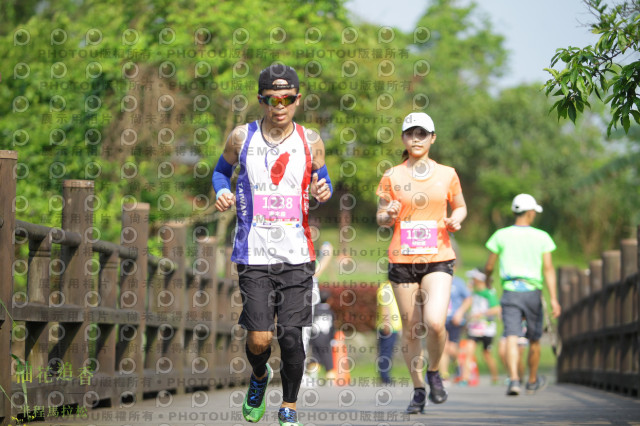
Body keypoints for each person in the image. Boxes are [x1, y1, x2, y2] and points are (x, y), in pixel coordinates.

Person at [213, 63, 333, 426]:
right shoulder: (241, 137)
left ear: (297, 99)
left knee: (292, 337)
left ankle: (289, 406)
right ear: (261, 100)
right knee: (260, 339)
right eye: (271, 99)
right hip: (253, 254)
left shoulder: (311, 140)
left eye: (287, 99)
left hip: (297, 255)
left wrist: (323, 189)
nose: (279, 106)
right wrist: (221, 190)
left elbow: (323, 180)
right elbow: (220, 171)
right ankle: (259, 375)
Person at [376, 112, 467, 414]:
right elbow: (381, 216)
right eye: (410, 134)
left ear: (432, 138)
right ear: (403, 138)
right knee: (412, 328)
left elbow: (461, 206)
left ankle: (434, 371)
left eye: (422, 134)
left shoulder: (447, 174)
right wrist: (388, 214)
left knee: (436, 323)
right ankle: (418, 389)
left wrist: (456, 219)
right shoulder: (392, 175)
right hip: (402, 259)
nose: (416, 139)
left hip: (438, 256)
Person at [483, 193, 561, 396]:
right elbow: (548, 269)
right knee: (534, 338)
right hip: (532, 292)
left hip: (510, 291)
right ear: (530, 212)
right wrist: (553, 299)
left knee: (511, 335)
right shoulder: (542, 237)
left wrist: (488, 279)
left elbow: (489, 266)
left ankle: (514, 380)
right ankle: (532, 381)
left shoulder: (501, 235)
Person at [301, 241, 333, 387]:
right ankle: (298, 374)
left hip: (307, 293)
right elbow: (316, 271)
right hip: (301, 293)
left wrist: (326, 253)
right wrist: (327, 254)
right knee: (301, 334)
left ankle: (299, 373)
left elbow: (315, 271)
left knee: (304, 335)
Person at [463, 268, 500, 385]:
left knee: (486, 354)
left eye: (473, 278)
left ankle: (495, 377)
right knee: (468, 352)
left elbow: (497, 308)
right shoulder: (473, 293)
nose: (471, 280)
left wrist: (482, 314)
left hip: (487, 329)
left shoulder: (489, 292)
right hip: (474, 328)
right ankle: (465, 378)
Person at [440, 273, 471, 382]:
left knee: (452, 348)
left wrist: (460, 313)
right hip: (441, 319)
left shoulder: (458, 282)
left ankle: (459, 364)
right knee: (443, 347)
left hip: (455, 320)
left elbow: (468, 299)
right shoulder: (438, 280)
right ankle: (444, 375)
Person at [376, 281, 402, 384]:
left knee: (388, 351)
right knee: (385, 352)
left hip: (394, 326)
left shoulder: (395, 287)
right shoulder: (386, 287)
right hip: (388, 327)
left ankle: (385, 375)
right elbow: (385, 306)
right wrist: (386, 323)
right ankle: (384, 376)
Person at [308, 290, 336, 381]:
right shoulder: (330, 312)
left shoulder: (315, 311)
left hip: (315, 338)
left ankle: (312, 375)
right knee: (327, 357)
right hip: (326, 339)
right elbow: (332, 327)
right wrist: (332, 339)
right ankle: (330, 376)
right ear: (329, 300)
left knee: (315, 356)